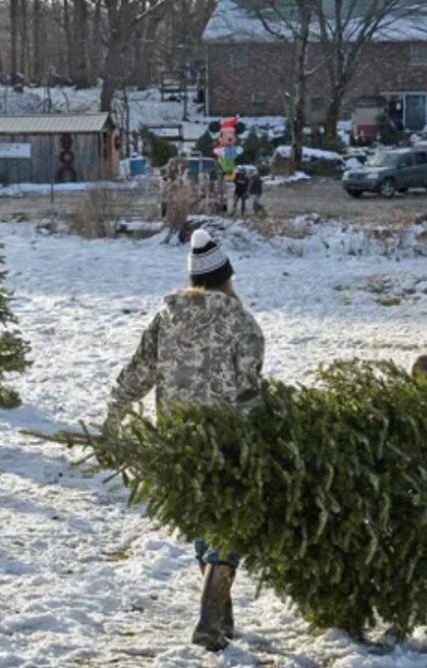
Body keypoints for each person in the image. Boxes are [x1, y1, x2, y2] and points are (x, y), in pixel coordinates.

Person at [104, 228, 265, 652]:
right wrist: (263, 436)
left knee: (200, 516)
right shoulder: (241, 322)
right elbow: (249, 388)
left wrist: (114, 415)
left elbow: (139, 371)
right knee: (230, 521)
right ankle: (212, 618)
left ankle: (221, 614)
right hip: (226, 438)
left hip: (177, 440)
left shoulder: (167, 317)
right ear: (226, 277)